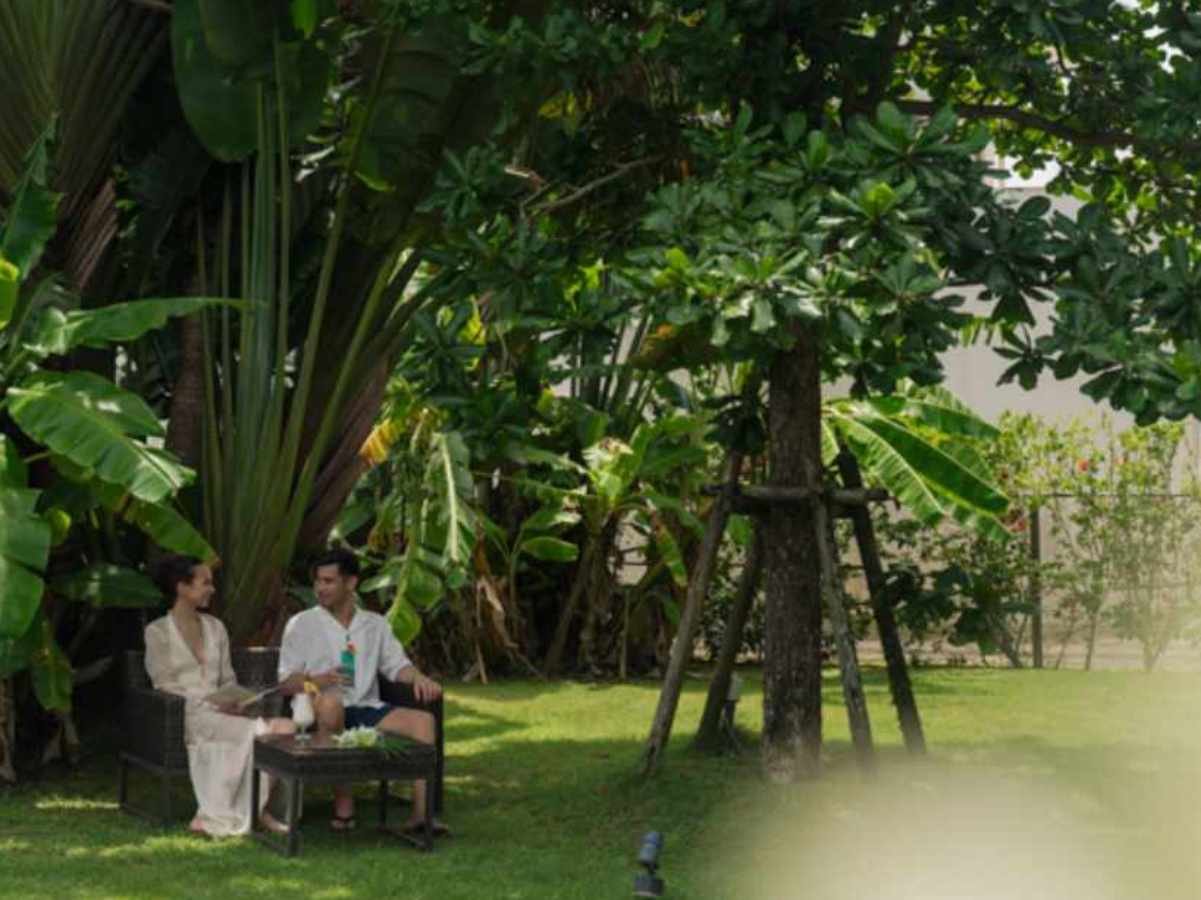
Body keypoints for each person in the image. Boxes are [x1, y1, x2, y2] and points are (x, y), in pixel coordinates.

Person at [278, 548, 447, 835]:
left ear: (351, 583)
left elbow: (397, 666)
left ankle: (422, 815)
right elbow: (286, 682)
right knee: (332, 705)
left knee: (424, 722)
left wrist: (419, 678)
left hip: (367, 707)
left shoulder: (375, 624)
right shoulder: (302, 624)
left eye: (328, 581)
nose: (320, 588)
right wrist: (320, 680)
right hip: (320, 707)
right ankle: (344, 805)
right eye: (318, 581)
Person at [143, 555, 294, 837]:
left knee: (285, 728)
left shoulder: (216, 627)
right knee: (273, 732)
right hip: (187, 714)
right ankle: (251, 813)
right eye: (206, 583)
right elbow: (163, 684)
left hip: (223, 711)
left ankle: (253, 808)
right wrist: (208, 702)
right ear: (182, 587)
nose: (212, 589)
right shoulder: (157, 632)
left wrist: (235, 700)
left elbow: (227, 679)